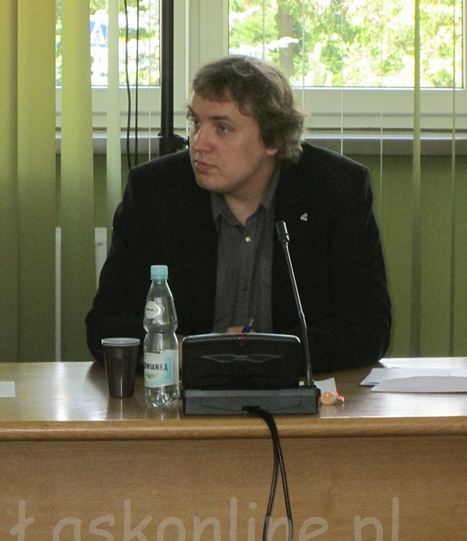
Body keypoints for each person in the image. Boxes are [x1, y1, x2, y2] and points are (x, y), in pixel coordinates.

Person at [86, 56, 391, 373]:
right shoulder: (155, 191)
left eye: (222, 128)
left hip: (296, 391)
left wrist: (267, 352)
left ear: (272, 139)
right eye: (196, 123)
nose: (198, 143)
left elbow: (369, 329)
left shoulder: (335, 189)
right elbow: (106, 326)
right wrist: (184, 352)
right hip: (181, 391)